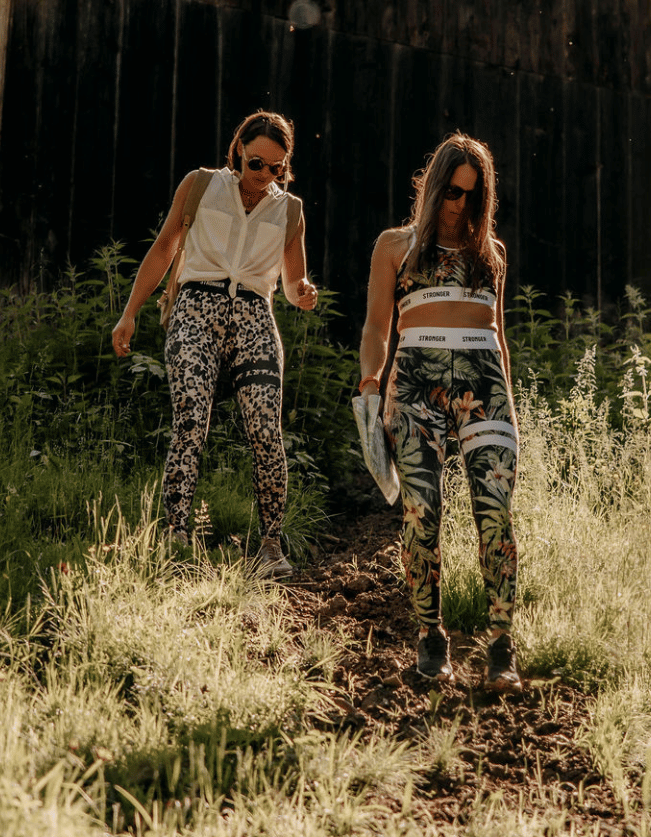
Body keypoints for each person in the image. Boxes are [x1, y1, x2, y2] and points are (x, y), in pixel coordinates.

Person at [112, 110, 318, 576]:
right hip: (195, 309)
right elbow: (165, 248)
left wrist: (303, 293)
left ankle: (270, 547)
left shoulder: (289, 210)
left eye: (276, 168)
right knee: (191, 416)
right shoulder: (202, 185)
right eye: (256, 164)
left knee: (267, 430)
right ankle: (176, 535)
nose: (263, 176)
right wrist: (129, 314)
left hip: (253, 316)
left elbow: (292, 281)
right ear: (238, 152)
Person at [359, 132, 521, 692]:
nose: (461, 206)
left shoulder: (491, 255)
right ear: (434, 189)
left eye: (473, 197)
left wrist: (510, 407)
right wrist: (372, 386)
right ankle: (432, 636)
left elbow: (498, 334)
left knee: (495, 510)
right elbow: (378, 327)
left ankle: (502, 644)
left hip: (484, 381)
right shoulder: (394, 246)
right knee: (422, 511)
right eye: (452, 193)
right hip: (416, 381)